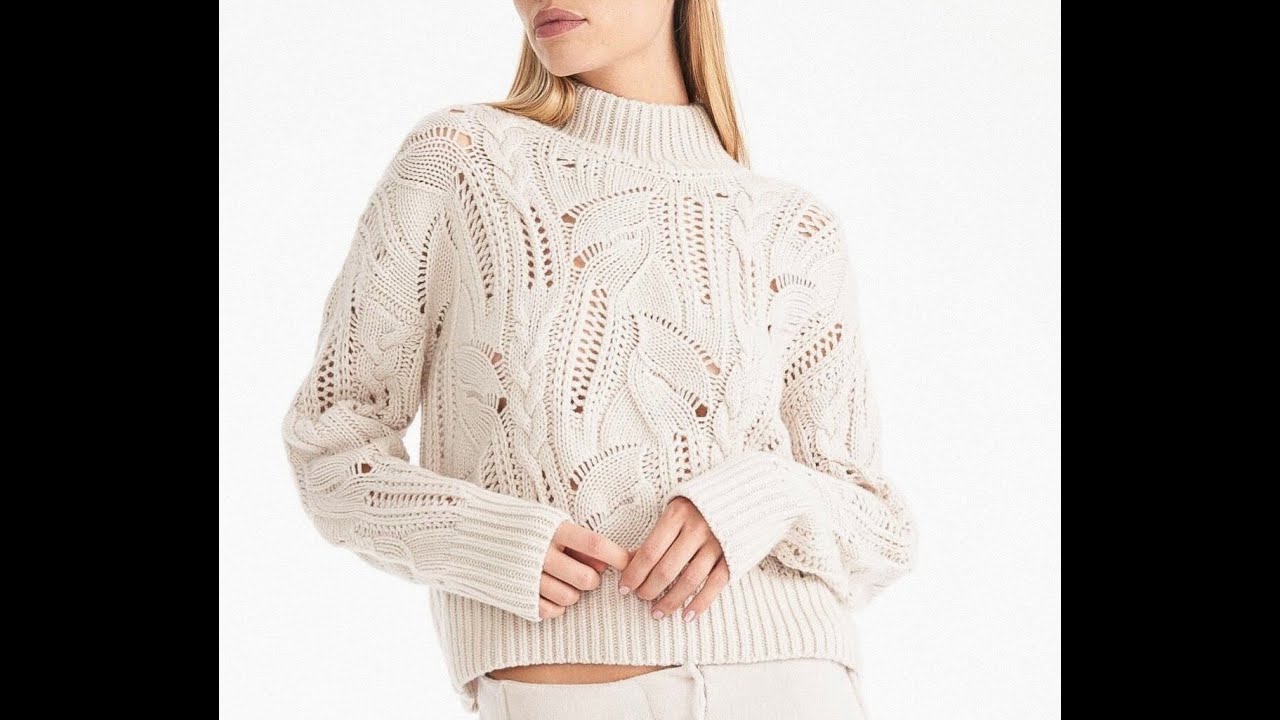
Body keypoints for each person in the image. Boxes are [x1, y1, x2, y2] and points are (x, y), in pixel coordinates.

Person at [280, 1, 917, 717]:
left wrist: (764, 495)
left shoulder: (793, 226)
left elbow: (880, 530)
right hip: (562, 690)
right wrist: (478, 538)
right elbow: (332, 447)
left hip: (793, 681)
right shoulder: (462, 160)